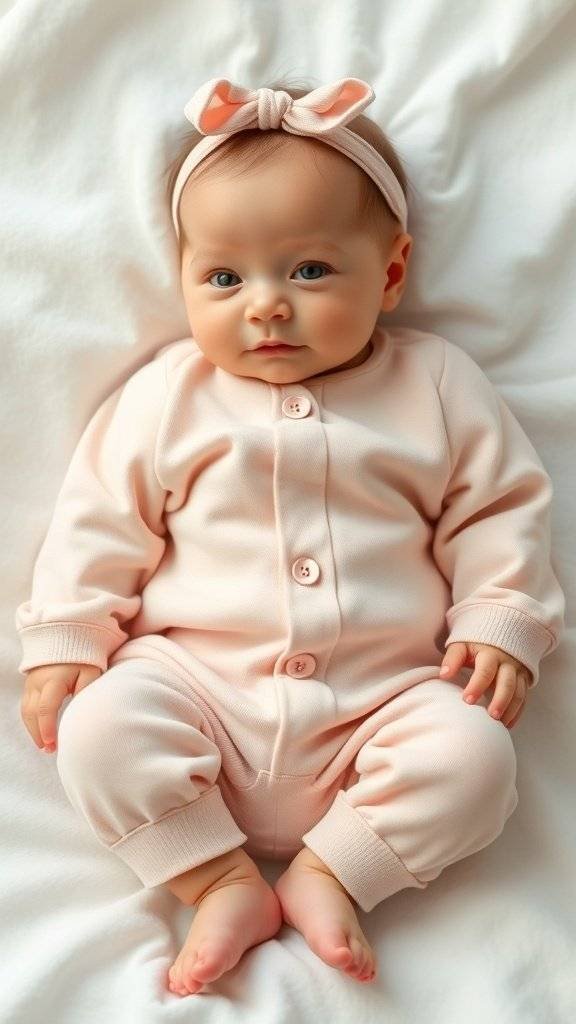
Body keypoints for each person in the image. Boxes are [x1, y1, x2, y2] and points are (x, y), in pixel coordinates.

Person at [16, 77, 565, 997]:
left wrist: (501, 613)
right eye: (225, 278)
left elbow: (500, 506)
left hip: (380, 704)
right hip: (197, 689)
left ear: (390, 273)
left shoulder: (434, 382)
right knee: (99, 729)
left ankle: (335, 871)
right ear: (186, 279)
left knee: (476, 759)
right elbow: (100, 516)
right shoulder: (167, 394)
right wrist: (68, 634)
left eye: (308, 271)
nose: (266, 305)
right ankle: (213, 875)